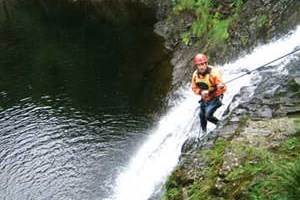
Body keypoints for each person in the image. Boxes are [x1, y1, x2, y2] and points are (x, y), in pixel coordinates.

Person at [191, 53, 227, 133]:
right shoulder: (195, 75)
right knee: (201, 115)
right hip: (205, 97)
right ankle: (204, 133)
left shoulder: (213, 73)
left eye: (203, 64)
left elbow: (222, 86)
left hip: (216, 96)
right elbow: (194, 88)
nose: (201, 67)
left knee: (208, 115)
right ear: (196, 66)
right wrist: (201, 92)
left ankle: (221, 125)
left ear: (206, 64)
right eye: (199, 65)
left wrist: (220, 86)